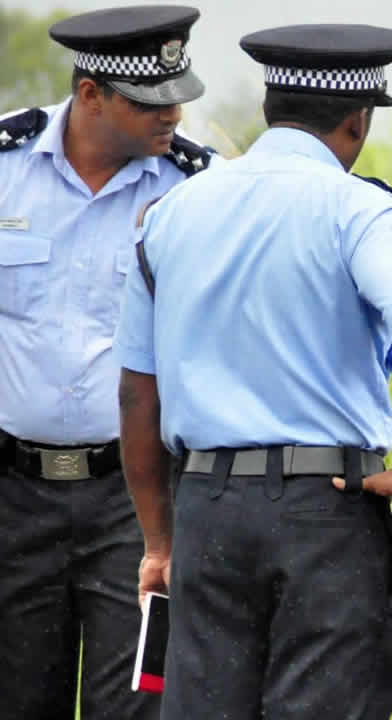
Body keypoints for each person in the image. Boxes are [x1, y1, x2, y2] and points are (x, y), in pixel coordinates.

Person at [113, 24, 392, 720]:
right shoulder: (357, 207)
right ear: (358, 121)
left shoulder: (170, 213)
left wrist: (159, 541)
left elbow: (135, 394)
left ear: (271, 107)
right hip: (326, 510)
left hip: (207, 509)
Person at [0, 6, 211, 719]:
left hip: (139, 503)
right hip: (12, 497)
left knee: (135, 705)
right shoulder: (5, 166)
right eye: (151, 102)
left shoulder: (198, 189)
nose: (172, 115)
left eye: (178, 97)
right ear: (91, 94)